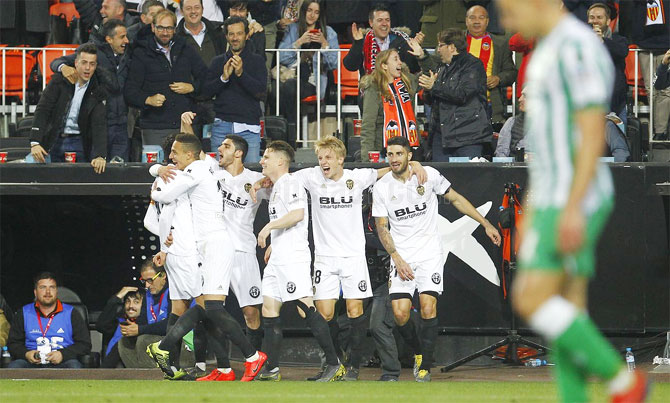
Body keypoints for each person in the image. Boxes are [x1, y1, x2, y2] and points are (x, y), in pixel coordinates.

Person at [497, 0, 649, 401]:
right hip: (555, 194)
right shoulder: (550, 49)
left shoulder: (576, 47)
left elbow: (590, 132)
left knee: (531, 297)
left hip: (571, 195)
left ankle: (623, 381)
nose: (507, 20)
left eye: (510, 8)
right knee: (568, 312)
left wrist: (570, 206)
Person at [287, 136, 426, 381]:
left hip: (353, 257)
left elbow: (384, 172)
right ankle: (335, 361)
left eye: (328, 157)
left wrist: (414, 165)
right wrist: (261, 181)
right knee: (325, 313)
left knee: (354, 311)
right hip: (324, 258)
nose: (323, 162)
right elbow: (284, 178)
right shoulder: (310, 177)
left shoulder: (356, 177)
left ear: (341, 159)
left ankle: (353, 366)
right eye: (320, 158)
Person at [372, 136, 500, 382]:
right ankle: (419, 352)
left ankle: (425, 366)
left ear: (409, 155)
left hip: (430, 252)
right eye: (390, 154)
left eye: (399, 153)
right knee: (400, 314)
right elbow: (381, 227)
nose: (394, 158)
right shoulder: (382, 187)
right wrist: (396, 257)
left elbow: (456, 199)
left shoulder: (428, 175)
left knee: (428, 307)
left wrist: (484, 223)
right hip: (402, 255)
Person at [147, 133, 267, 381]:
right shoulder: (205, 167)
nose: (171, 157)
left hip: (215, 243)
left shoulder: (198, 170)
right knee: (207, 308)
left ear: (189, 155)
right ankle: (229, 365)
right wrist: (157, 169)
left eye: (175, 153)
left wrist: (155, 188)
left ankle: (252, 356)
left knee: (211, 307)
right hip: (204, 245)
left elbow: (166, 195)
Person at [254, 140, 344, 382]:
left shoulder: (291, 183)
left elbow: (297, 215)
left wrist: (267, 228)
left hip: (293, 258)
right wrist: (275, 241)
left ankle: (334, 364)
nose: (262, 161)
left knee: (306, 308)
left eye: (266, 157)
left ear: (281, 161)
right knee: (269, 310)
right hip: (278, 258)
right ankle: (272, 368)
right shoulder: (276, 187)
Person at [124, 10, 209, 148]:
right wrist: (148, 99)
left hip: (184, 126)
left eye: (169, 28)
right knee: (155, 168)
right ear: (153, 27)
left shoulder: (185, 49)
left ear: (175, 29)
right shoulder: (141, 53)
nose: (165, 32)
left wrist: (192, 87)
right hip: (154, 127)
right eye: (161, 28)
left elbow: (206, 78)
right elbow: (130, 91)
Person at [51, 19, 132, 162]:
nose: (127, 40)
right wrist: (63, 67)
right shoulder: (93, 53)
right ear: (109, 39)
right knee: (97, 172)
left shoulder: (127, 54)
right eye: (122, 37)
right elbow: (57, 62)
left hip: (121, 125)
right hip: (99, 126)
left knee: (120, 173)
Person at [408, 29, 492, 160]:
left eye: (441, 45)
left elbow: (462, 94)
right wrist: (428, 91)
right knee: (440, 179)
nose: (438, 50)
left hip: (467, 138)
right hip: (442, 138)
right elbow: (435, 99)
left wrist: (434, 86)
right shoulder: (443, 68)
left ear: (452, 47)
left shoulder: (473, 65)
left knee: (468, 180)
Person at [29, 43, 109, 174]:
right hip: (52, 139)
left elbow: (99, 123)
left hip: (79, 141)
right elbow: (43, 110)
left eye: (92, 64)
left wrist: (100, 155)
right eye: (84, 63)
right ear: (76, 63)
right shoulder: (59, 81)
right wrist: (35, 142)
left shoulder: (98, 89)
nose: (87, 68)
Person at [203, 16, 267, 162]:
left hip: (249, 128)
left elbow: (261, 92)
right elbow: (205, 93)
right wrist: (223, 78)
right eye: (231, 34)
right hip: (221, 128)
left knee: (250, 176)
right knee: (219, 175)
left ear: (246, 35)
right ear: (226, 36)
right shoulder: (217, 62)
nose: (235, 38)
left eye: (239, 33)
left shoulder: (257, 61)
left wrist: (241, 74)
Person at [275, 0, 339, 141]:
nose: (312, 15)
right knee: (284, 88)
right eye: (309, 10)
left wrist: (325, 44)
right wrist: (299, 42)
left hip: (314, 83)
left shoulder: (329, 33)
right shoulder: (293, 29)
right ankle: (288, 135)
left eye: (316, 12)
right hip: (292, 77)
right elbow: (281, 56)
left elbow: (333, 64)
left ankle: (290, 137)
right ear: (303, 12)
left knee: (291, 86)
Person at [7, 272, 92, 368]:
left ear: (56, 291)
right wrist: (26, 354)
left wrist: (63, 354)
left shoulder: (71, 313)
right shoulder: (23, 313)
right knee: (14, 367)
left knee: (74, 366)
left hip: (63, 360)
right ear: (35, 292)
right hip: (32, 361)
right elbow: (13, 344)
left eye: (52, 287)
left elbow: (85, 344)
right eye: (43, 287)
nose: (48, 292)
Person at [359, 48, 420, 162]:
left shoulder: (406, 82)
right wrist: (366, 160)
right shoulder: (374, 88)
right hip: (384, 150)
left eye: (400, 59)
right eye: (395, 59)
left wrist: (422, 56)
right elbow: (368, 124)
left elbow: (429, 74)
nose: (400, 62)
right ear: (384, 66)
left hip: (409, 149)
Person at [465, 5, 517, 126]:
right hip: (461, 107)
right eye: (472, 18)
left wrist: (498, 78)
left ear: (487, 21)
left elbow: (511, 72)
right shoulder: (456, 41)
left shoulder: (500, 43)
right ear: (466, 21)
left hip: (491, 106)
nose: (477, 21)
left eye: (481, 18)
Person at [343, 3, 422, 77]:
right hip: (371, 90)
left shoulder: (401, 41)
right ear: (371, 23)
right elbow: (350, 66)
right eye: (380, 20)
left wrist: (415, 49)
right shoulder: (363, 41)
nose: (384, 24)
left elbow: (414, 68)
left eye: (387, 20)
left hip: (397, 90)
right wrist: (357, 44)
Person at [587, 3, 628, 126]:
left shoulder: (619, 40)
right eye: (592, 17)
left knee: (618, 143)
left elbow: (622, 52)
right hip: (589, 106)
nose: (595, 21)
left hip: (615, 105)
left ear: (608, 20)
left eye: (599, 17)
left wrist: (601, 41)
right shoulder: (580, 42)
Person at [96, 287, 145, 368]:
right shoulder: (119, 322)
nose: (130, 306)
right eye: (127, 301)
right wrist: (118, 297)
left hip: (138, 367)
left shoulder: (149, 324)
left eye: (136, 302)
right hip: (114, 366)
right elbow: (101, 325)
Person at [176, 0, 227, 67]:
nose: (193, 11)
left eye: (197, 7)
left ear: (202, 9)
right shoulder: (175, 37)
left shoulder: (218, 31)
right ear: (181, 11)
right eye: (188, 8)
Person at [495, 86, 528, 158]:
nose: (520, 99)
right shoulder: (511, 122)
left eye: (525, 96)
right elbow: (501, 155)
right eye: (521, 95)